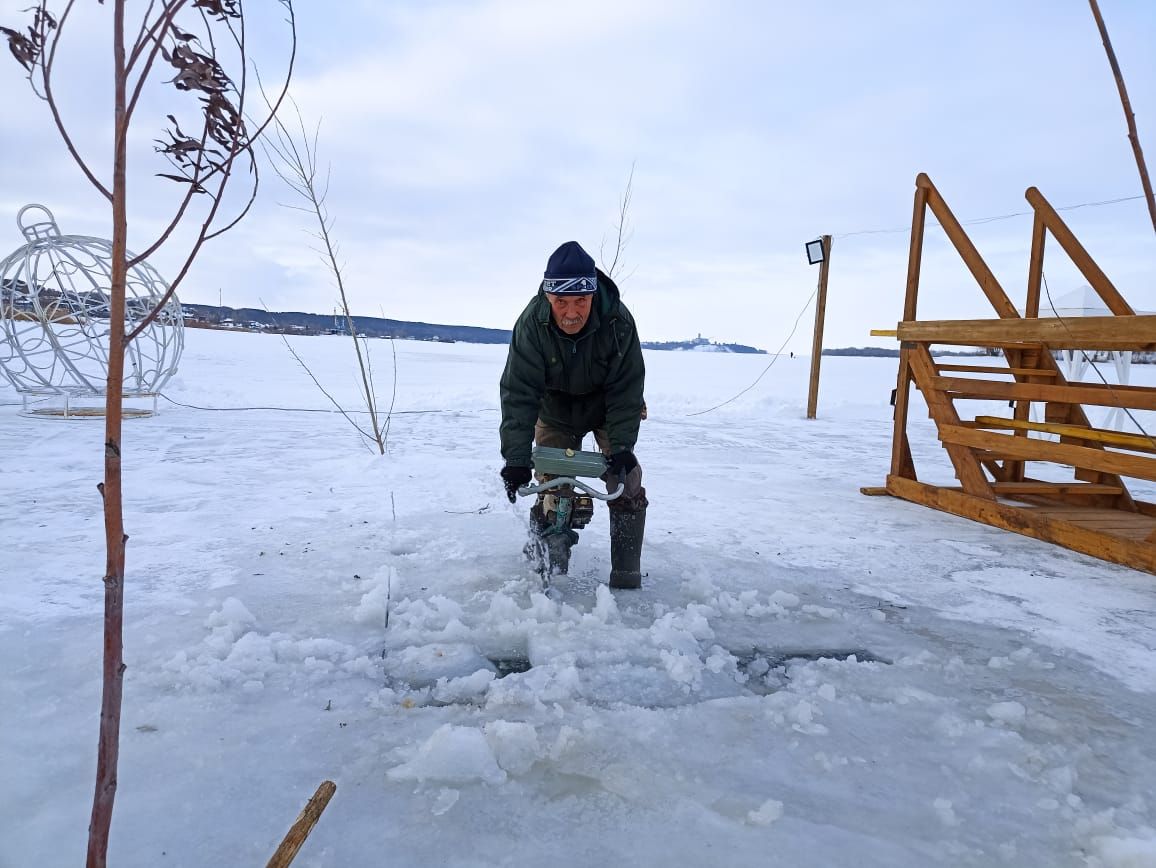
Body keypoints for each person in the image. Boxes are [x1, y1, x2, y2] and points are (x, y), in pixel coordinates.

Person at [498, 240, 648, 589]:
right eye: (561, 302)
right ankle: (549, 557)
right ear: (548, 298)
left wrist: (622, 447)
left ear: (592, 296)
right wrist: (517, 458)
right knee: (554, 483)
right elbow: (519, 393)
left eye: (580, 301)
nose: (571, 312)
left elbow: (627, 389)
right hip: (555, 411)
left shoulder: (618, 323)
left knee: (628, 481)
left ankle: (626, 574)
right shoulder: (531, 325)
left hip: (606, 408)